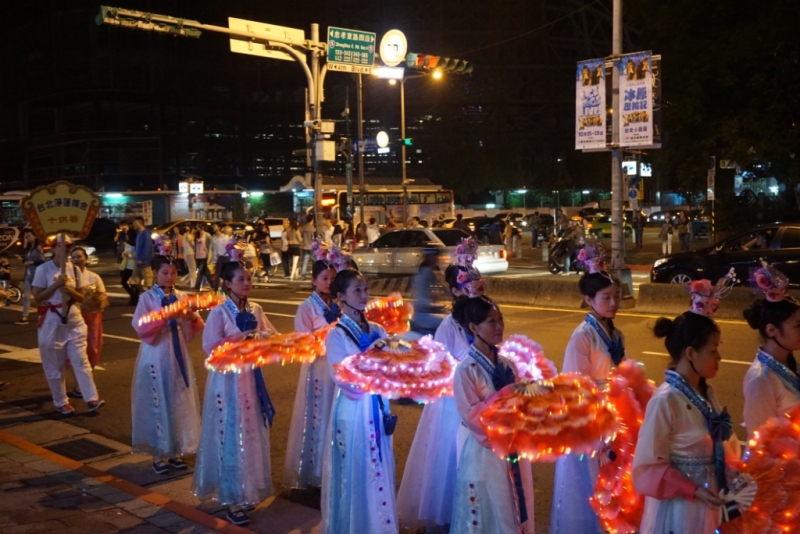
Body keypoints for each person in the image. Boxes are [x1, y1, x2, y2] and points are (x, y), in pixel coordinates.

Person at [633, 293, 740, 533]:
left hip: (713, 499)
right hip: (682, 507)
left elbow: (724, 442)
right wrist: (693, 490)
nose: (719, 358)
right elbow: (647, 467)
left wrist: (731, 470)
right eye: (713, 351)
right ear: (691, 353)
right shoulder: (665, 400)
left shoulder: (708, 390)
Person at [396, 261, 485, 530]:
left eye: (476, 281)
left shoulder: (484, 316)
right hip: (454, 401)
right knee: (452, 455)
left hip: (482, 396)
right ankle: (454, 513)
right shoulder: (449, 324)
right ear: (456, 291)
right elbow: (442, 366)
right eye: (467, 283)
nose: (474, 287)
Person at [193, 261, 278, 526]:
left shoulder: (256, 309)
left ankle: (247, 491)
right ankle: (231, 498)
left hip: (251, 381)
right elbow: (209, 347)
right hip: (227, 383)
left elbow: (272, 336)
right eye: (241, 279)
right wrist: (239, 340)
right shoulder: (219, 313)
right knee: (230, 436)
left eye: (249, 278)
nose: (246, 283)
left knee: (250, 434)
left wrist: (263, 338)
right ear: (227, 283)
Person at [551, 244, 624, 534]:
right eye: (606, 297)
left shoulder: (615, 332)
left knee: (615, 485)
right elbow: (576, 388)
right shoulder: (582, 337)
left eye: (616, 297)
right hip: (591, 421)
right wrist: (598, 429)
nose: (613, 303)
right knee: (590, 485)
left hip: (615, 412)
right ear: (588, 299)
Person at [449, 296, 535, 533]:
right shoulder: (466, 369)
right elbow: (471, 414)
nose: (499, 327)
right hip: (486, 450)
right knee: (490, 506)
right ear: (474, 328)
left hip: (513, 444)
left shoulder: (507, 363)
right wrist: (505, 406)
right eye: (491, 322)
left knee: (516, 502)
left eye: (501, 320)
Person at [320, 269, 396, 533]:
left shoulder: (378, 329)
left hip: (379, 404)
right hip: (354, 409)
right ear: (340, 297)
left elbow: (393, 367)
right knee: (358, 467)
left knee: (380, 464)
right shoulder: (336, 335)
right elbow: (343, 377)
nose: (364, 296)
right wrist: (377, 359)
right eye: (357, 291)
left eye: (365, 290)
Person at [131, 253, 202, 475]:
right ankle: (158, 454)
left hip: (177, 350)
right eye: (165, 273)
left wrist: (190, 317)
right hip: (156, 352)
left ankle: (176, 451)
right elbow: (141, 326)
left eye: (173, 273)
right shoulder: (147, 298)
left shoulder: (182, 296)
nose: (170, 277)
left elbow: (195, 326)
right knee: (157, 399)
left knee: (178, 399)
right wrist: (166, 317)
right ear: (155, 273)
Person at [284, 259, 340, 490]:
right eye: (324, 278)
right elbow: (302, 341)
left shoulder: (341, 304)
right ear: (313, 281)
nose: (329, 283)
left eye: (332, 279)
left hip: (338, 367)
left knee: (336, 415)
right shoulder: (307, 308)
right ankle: (316, 471)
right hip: (318, 367)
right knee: (317, 416)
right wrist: (326, 335)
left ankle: (335, 467)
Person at [32, 235, 105, 415]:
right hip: (52, 321)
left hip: (75, 320)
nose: (65, 251)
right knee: (55, 365)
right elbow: (37, 299)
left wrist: (70, 290)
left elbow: (82, 299)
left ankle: (91, 398)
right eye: (62, 247)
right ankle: (61, 401)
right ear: (53, 248)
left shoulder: (75, 270)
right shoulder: (43, 269)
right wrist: (56, 285)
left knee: (81, 361)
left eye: (69, 247)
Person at [742, 263, 800, 437]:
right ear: (771, 330)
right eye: (798, 326)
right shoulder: (760, 380)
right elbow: (760, 443)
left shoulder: (790, 364)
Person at [66, 246, 109, 397]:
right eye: (74, 257)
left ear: (86, 258)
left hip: (92, 318)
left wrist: (100, 302)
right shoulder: (67, 278)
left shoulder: (94, 277)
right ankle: (79, 385)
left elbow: (103, 296)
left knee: (92, 349)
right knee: (76, 352)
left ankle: (88, 382)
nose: (77, 259)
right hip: (75, 317)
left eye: (79, 256)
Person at [409, 248, 446, 335]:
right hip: (422, 316)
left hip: (420, 313)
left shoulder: (423, 270)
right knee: (447, 323)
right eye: (437, 257)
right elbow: (422, 298)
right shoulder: (426, 271)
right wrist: (434, 305)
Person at [17, 230, 44, 325]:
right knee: (26, 297)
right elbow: (26, 260)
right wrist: (23, 260)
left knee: (39, 296)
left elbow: (42, 261)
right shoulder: (29, 249)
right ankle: (25, 317)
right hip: (27, 275)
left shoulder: (38, 247)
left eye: (29, 236)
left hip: (36, 275)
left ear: (35, 237)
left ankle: (45, 313)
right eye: (26, 237)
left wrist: (31, 262)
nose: (27, 238)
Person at [132, 217, 154, 290]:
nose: (133, 225)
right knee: (134, 281)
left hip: (144, 262)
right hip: (138, 261)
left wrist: (142, 258)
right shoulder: (139, 234)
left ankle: (151, 297)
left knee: (149, 282)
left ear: (140, 223)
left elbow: (146, 247)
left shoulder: (146, 234)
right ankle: (142, 295)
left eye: (135, 223)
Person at [211, 225, 232, 290]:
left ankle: (219, 289)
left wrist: (214, 261)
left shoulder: (223, 237)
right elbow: (215, 250)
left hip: (223, 257)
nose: (213, 227)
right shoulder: (215, 238)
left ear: (220, 228)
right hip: (223, 257)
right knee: (221, 274)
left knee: (220, 274)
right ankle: (220, 289)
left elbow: (229, 248)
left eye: (215, 226)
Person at [194, 223, 212, 291]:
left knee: (200, 271)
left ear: (202, 227)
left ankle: (197, 287)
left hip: (204, 255)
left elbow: (210, 245)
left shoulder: (206, 235)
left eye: (198, 226)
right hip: (198, 256)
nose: (197, 228)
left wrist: (210, 253)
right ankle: (212, 284)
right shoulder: (196, 235)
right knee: (206, 272)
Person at [300, 215, 316, 279]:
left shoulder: (304, 227)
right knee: (315, 261)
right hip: (311, 247)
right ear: (312, 220)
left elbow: (302, 236)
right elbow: (313, 238)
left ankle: (303, 275)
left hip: (305, 246)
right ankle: (315, 274)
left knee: (305, 261)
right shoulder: (313, 228)